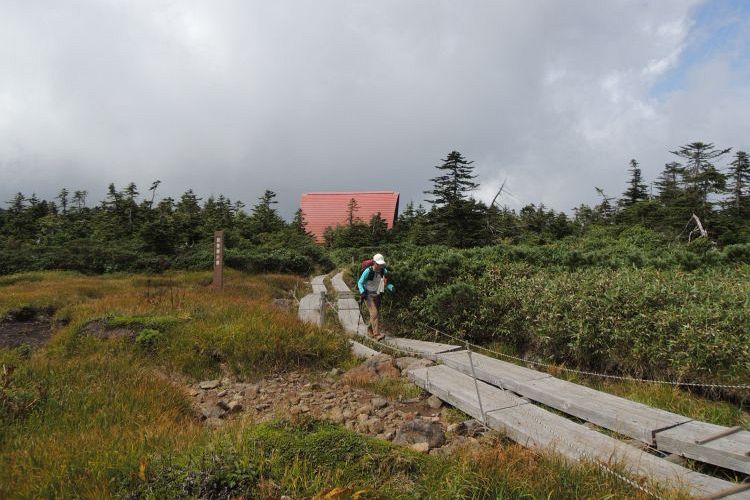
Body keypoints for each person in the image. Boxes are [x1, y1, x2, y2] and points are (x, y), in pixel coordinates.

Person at [357, 253, 394, 341]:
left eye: (381, 264)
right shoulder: (368, 271)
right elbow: (360, 282)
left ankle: (370, 330)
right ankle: (376, 334)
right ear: (374, 262)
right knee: (375, 313)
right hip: (368, 295)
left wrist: (390, 287)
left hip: (377, 294)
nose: (380, 266)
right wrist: (362, 292)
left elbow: (386, 281)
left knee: (374, 315)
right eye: (378, 264)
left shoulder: (383, 271)